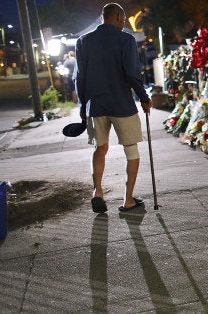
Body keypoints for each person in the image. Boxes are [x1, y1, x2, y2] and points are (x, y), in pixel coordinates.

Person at [74, 3, 152, 213]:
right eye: (124, 19)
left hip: (96, 105)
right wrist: (144, 98)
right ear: (117, 17)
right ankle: (128, 200)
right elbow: (132, 74)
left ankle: (97, 192)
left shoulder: (83, 41)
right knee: (131, 149)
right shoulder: (126, 40)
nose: (124, 23)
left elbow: (79, 77)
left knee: (100, 147)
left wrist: (83, 105)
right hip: (122, 104)